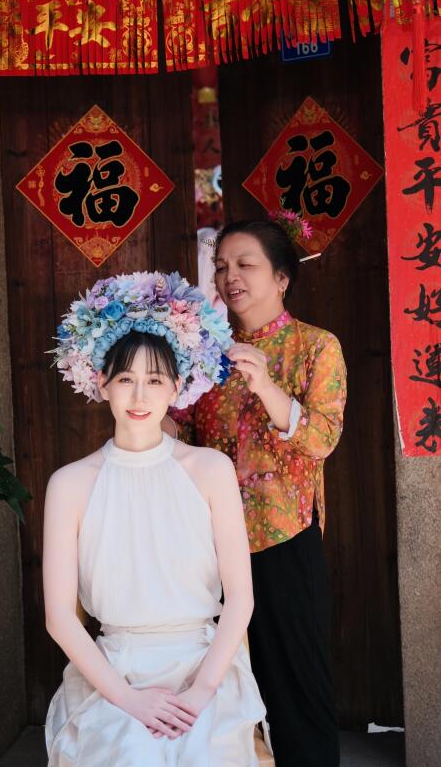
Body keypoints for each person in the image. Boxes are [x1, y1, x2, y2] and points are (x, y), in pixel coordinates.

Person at [43, 271, 266, 766]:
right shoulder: (70, 484)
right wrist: (129, 699)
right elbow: (59, 618)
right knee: (130, 753)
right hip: (114, 670)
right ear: (101, 383)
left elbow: (241, 598)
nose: (140, 397)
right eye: (125, 379)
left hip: (202, 664)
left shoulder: (210, 470)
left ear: (177, 387)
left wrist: (201, 690)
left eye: (155, 380)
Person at [167, 218, 347, 767]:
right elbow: (180, 435)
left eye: (246, 264)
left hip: (283, 540)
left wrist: (266, 385)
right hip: (209, 545)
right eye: (222, 266)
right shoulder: (204, 353)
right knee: (221, 687)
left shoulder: (316, 346)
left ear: (281, 278)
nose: (230, 277)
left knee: (296, 686)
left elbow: (321, 439)